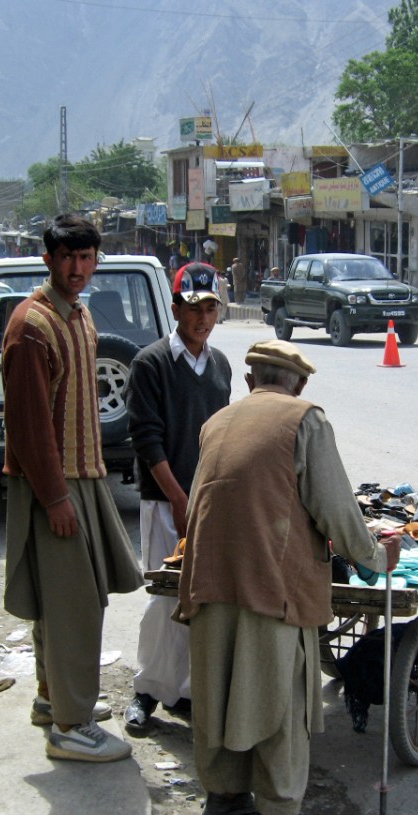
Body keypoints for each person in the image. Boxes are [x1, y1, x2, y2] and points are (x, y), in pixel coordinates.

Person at [177, 340, 400, 815]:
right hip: (271, 585)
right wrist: (373, 554)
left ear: (251, 381)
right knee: (280, 698)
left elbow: (200, 501)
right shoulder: (306, 419)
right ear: (298, 384)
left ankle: (224, 799)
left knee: (218, 690)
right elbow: (337, 512)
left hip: (209, 578)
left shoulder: (218, 421)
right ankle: (278, 814)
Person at [2, 214, 143, 763]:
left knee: (63, 601)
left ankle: (51, 698)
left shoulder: (79, 317)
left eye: (86, 258)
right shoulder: (31, 327)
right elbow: (30, 425)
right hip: (55, 485)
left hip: (83, 477)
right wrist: (55, 497)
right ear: (48, 260)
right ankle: (71, 724)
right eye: (67, 258)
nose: (78, 268)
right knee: (74, 606)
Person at [124, 262, 232, 733]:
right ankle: (147, 691)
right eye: (193, 309)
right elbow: (147, 440)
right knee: (163, 599)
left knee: (202, 601)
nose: (202, 318)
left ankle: (184, 691)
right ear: (175, 310)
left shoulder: (221, 365)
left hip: (207, 503)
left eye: (210, 308)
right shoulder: (150, 364)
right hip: (163, 499)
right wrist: (178, 498)